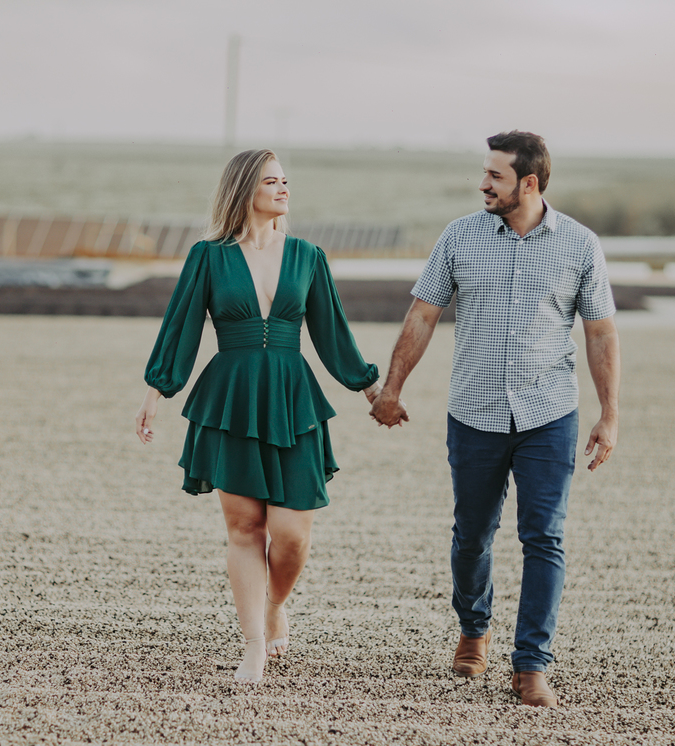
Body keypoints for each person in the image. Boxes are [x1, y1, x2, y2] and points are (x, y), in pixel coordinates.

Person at [370, 131, 621, 708]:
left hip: (549, 412)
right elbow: (423, 313)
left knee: (545, 537)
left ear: (528, 183)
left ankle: (531, 664)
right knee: (472, 536)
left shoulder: (580, 245)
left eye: (496, 176)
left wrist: (609, 415)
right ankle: (473, 629)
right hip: (475, 412)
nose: (483, 183)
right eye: (483, 173)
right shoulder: (459, 236)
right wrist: (392, 388)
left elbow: (601, 330)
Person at [135, 149, 383, 684]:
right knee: (244, 526)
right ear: (244, 189)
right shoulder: (208, 256)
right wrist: (158, 392)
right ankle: (251, 646)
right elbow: (180, 326)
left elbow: (332, 332)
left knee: (291, 534)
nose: (283, 189)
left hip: (293, 397)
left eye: (286, 181)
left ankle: (274, 604)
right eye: (272, 181)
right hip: (231, 396)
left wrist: (371, 388)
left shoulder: (308, 256)